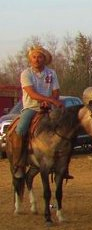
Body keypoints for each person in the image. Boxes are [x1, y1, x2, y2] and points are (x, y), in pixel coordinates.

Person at [9, 45, 63, 178]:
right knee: (20, 129)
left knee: (65, 129)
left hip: (49, 108)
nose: (36, 59)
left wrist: (51, 101)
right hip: (31, 108)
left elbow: (56, 91)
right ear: (30, 59)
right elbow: (31, 93)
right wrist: (48, 100)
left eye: (39, 57)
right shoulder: (26, 74)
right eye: (34, 57)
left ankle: (62, 164)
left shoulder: (51, 73)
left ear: (44, 59)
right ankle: (19, 163)